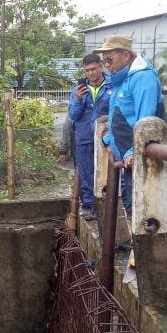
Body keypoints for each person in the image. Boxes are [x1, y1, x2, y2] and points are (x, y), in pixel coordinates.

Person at [94, 35, 166, 217]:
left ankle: (140, 245)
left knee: (141, 212)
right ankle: (134, 244)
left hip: (139, 159)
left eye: (110, 60)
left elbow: (145, 121)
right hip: (127, 160)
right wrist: (108, 139)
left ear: (126, 55)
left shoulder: (142, 78)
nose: (107, 65)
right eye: (105, 61)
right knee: (130, 206)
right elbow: (120, 115)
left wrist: (134, 150)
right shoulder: (122, 79)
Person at [68, 53, 112, 220]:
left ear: (101, 66)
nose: (90, 73)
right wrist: (78, 100)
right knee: (86, 173)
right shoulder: (78, 90)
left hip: (106, 137)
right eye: (87, 70)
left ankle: (108, 205)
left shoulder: (112, 86)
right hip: (84, 137)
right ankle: (88, 206)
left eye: (93, 69)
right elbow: (73, 115)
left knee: (109, 172)